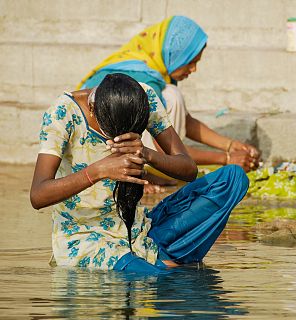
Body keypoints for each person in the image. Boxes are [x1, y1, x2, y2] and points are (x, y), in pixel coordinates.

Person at [30, 73, 249, 273]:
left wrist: (146, 154)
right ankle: (164, 264)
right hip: (87, 238)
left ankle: (161, 261)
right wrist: (97, 171)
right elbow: (38, 195)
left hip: (141, 230)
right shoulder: (62, 114)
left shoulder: (143, 97)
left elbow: (189, 170)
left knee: (233, 179)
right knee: (157, 277)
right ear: (94, 109)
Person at [77, 15, 260, 174]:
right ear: (175, 54)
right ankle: (145, 174)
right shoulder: (142, 82)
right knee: (172, 95)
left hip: (123, 150)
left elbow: (184, 122)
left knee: (171, 95)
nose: (193, 69)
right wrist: (226, 158)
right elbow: (165, 150)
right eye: (190, 62)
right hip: (98, 157)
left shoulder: (152, 72)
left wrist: (230, 145)